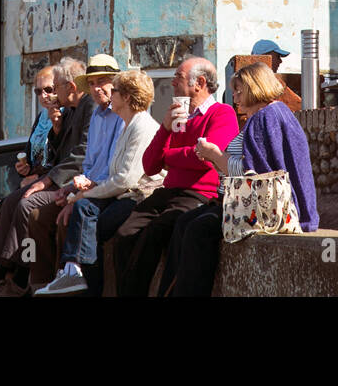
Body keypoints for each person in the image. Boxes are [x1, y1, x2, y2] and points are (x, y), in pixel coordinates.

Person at [163, 62, 319, 296]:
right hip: (283, 207)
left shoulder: (263, 118)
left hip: (268, 210)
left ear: (254, 87)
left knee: (197, 228)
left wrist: (214, 154)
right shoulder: (278, 113)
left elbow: (253, 174)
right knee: (186, 222)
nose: (234, 96)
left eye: (238, 90)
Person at [0, 56, 93, 296]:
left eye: (52, 88)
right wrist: (36, 167)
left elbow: (81, 154)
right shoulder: (67, 110)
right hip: (57, 178)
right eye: (39, 91)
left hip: (75, 182)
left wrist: (44, 180)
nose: (46, 96)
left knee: (26, 206)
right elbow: (56, 153)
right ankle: (0, 275)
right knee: (8, 204)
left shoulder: (87, 107)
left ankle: (13, 279)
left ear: (69, 87)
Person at [111, 56, 238, 297]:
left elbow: (205, 158)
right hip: (167, 192)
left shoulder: (222, 113)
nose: (172, 83)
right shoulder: (177, 116)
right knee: (125, 233)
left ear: (199, 83)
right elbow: (149, 165)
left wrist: (169, 155)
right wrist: (165, 128)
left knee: (154, 234)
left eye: (178, 77)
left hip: (198, 193)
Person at [34, 69, 161, 296]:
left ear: (127, 98)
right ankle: (74, 274)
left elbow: (125, 180)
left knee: (90, 224)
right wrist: (84, 189)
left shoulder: (141, 126)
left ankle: (78, 277)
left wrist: (86, 194)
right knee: (85, 215)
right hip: (121, 193)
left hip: (139, 196)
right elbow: (112, 172)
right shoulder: (128, 124)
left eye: (116, 91)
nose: (111, 94)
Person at [22, 54, 124, 294]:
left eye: (103, 82)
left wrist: (74, 192)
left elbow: (113, 171)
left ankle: (69, 277)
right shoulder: (96, 113)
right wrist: (71, 189)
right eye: (93, 83)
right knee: (31, 211)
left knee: (48, 212)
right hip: (83, 184)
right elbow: (87, 161)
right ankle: (34, 279)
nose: (97, 88)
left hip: (113, 190)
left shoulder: (115, 113)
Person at [16, 65, 59, 183]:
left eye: (49, 90)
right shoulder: (41, 118)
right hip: (36, 179)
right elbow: (30, 153)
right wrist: (24, 168)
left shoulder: (66, 113)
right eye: (38, 91)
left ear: (59, 88)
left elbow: (63, 157)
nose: (43, 95)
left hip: (53, 180)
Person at [251, 39, 303, 111]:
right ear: (266, 57)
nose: (280, 61)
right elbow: (298, 105)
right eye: (277, 57)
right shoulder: (272, 82)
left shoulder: (248, 80)